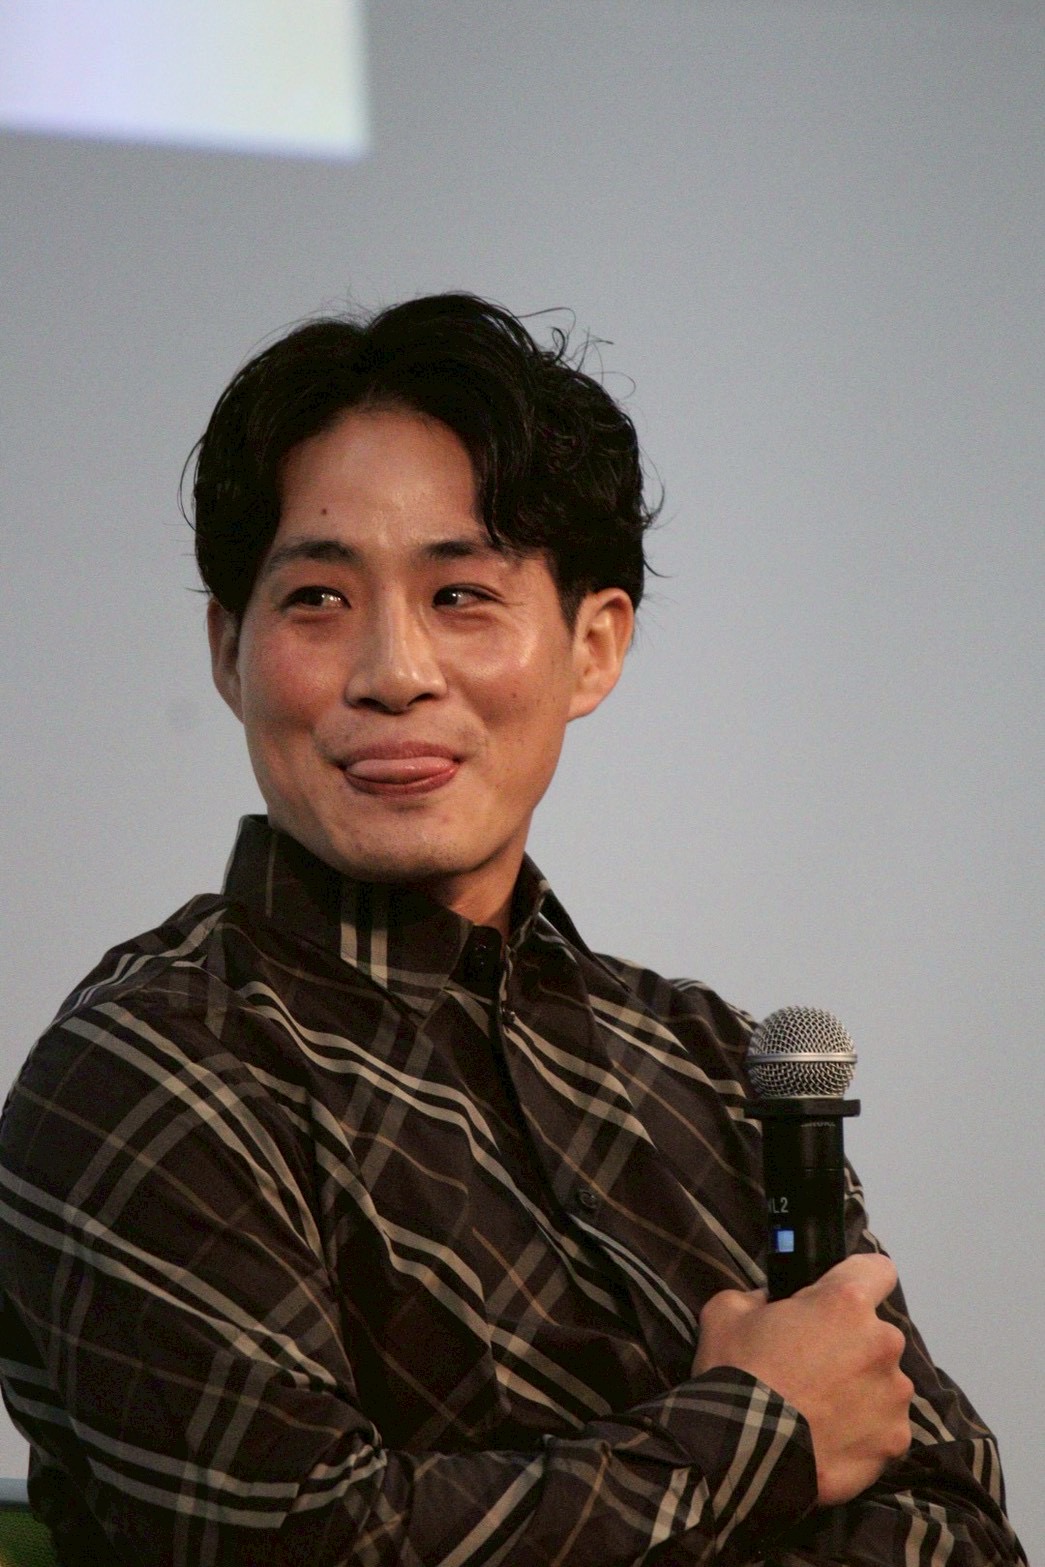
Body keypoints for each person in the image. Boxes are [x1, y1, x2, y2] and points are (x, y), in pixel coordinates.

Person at [0, 293, 1024, 1566]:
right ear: (230, 652)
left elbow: (953, 1513)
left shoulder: (707, 1059)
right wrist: (760, 1430)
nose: (392, 670)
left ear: (593, 648)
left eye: (461, 594)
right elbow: (312, 1544)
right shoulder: (146, 1071)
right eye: (317, 597)